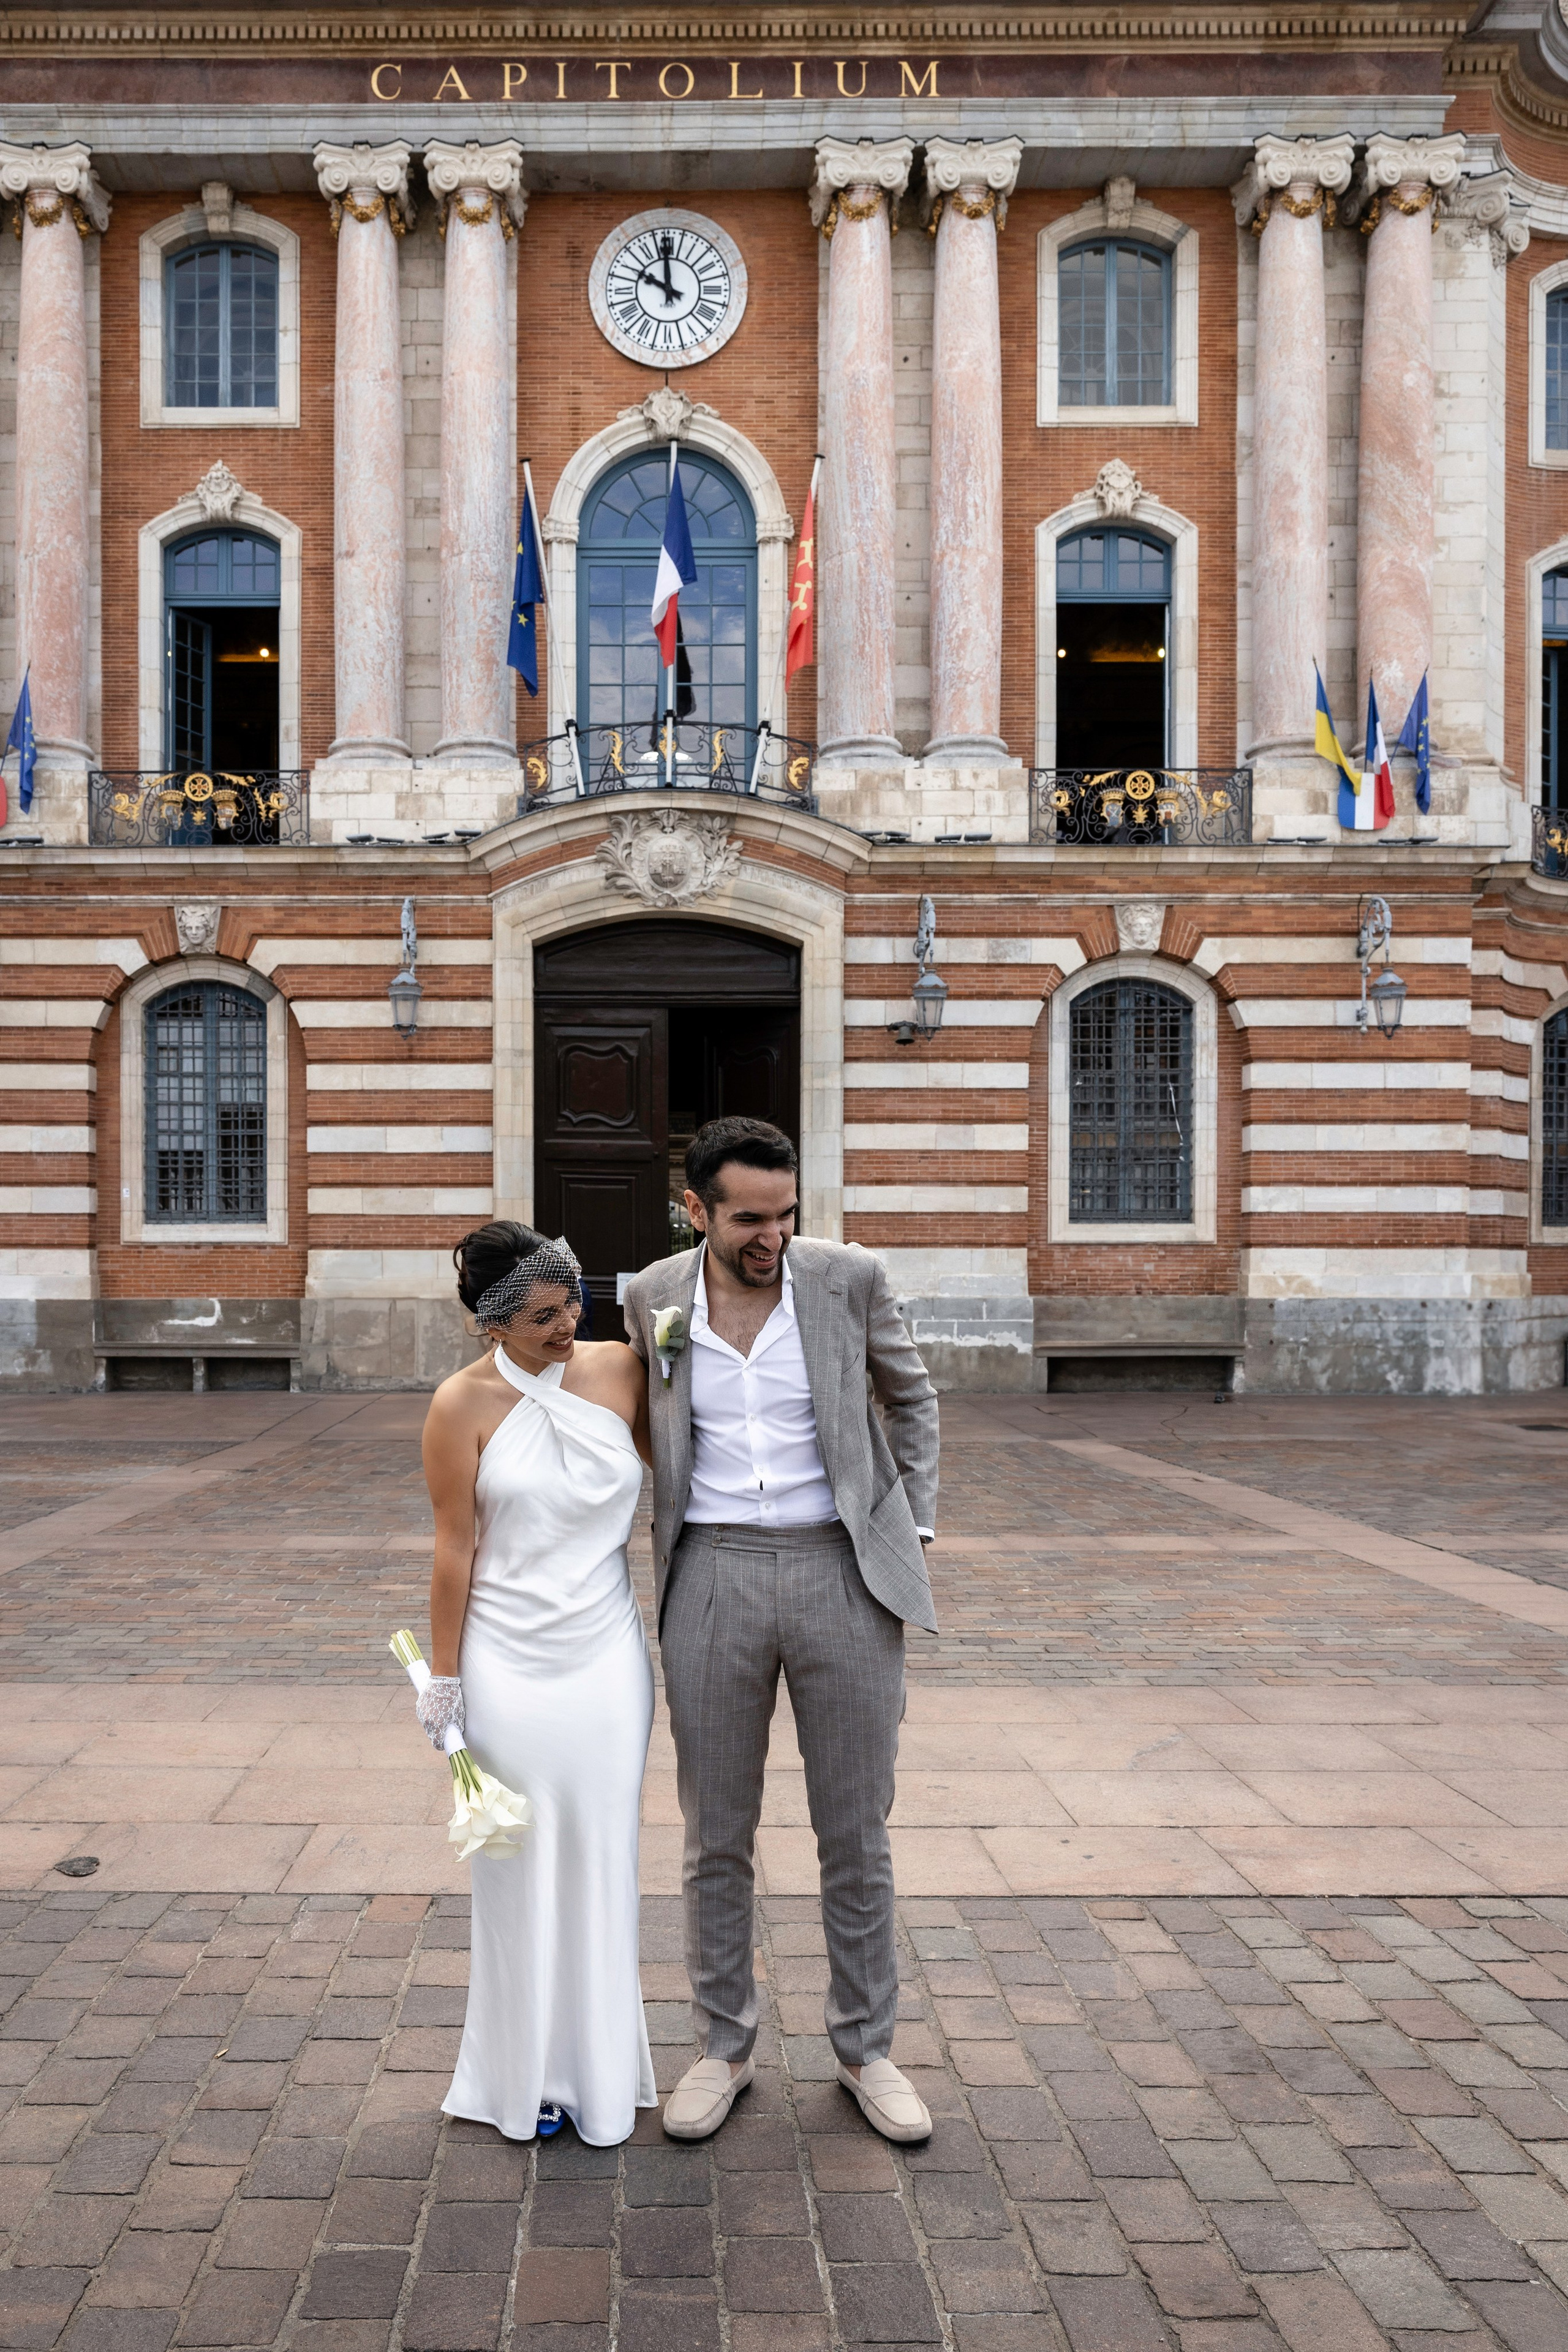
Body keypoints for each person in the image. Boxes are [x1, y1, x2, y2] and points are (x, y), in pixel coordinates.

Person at [623, 1117, 940, 2146]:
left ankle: (867, 2050)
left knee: (855, 1828)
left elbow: (913, 1394)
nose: (773, 1236)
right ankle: (721, 2048)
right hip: (710, 1572)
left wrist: (910, 1526)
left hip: (841, 1570)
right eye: (749, 1219)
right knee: (716, 1834)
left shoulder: (847, 1278)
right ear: (698, 1210)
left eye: (786, 1214)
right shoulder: (651, 1298)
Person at [415, 1222, 657, 2147]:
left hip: (604, 1659)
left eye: (573, 1306)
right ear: (491, 1326)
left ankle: (596, 2072)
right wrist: (445, 1684)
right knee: (517, 1873)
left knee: (601, 1856)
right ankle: (527, 2079)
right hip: (506, 1661)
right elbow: (453, 1550)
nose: (568, 1327)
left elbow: (680, 1481)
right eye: (542, 1317)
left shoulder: (624, 1372)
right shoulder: (458, 1406)